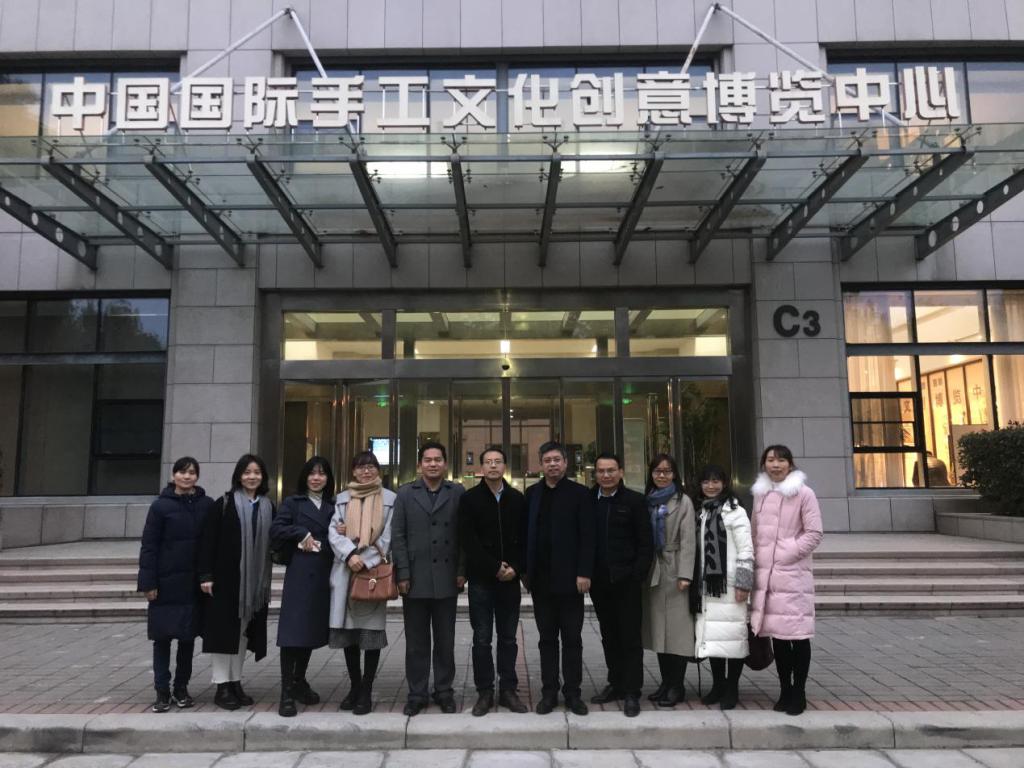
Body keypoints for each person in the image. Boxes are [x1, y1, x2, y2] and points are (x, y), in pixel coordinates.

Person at [392, 441, 465, 716]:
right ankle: (417, 693)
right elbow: (398, 536)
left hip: (447, 577)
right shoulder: (405, 493)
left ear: (445, 463)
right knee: (416, 642)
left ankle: (444, 691)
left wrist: (462, 570)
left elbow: (464, 535)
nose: (433, 464)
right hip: (415, 578)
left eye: (438, 459)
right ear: (420, 464)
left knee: (445, 640)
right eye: (428, 460)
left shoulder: (456, 492)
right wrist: (402, 573)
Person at [750, 444, 823, 717]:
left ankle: (799, 692)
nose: (775, 464)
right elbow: (755, 533)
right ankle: (784, 690)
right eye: (770, 460)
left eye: (781, 460)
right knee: (779, 639)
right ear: (764, 464)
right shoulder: (761, 495)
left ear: (790, 464)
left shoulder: (804, 493)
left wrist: (786, 553)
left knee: (799, 638)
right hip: (768, 577)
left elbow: (814, 533)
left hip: (793, 576)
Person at [522, 441, 594, 716]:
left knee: (572, 639)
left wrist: (584, 572)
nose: (552, 464)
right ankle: (549, 692)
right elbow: (526, 535)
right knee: (547, 639)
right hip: (541, 581)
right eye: (547, 460)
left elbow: (588, 536)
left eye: (557, 460)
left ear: (565, 463)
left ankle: (573, 693)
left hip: (571, 581)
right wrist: (526, 572)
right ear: (541, 464)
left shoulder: (580, 494)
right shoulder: (532, 494)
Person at [137, 456, 214, 712]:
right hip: (165, 583)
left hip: (192, 584)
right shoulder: (160, 507)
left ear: (197, 476)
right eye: (182, 472)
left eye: (192, 472)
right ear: (173, 475)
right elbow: (149, 546)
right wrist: (148, 583)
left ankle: (181, 688)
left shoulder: (206, 505)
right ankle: (162, 691)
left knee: (187, 639)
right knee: (162, 639)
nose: (187, 476)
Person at [197, 454, 273, 711]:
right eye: (247, 472)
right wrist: (206, 575)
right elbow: (208, 541)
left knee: (242, 634)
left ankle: (236, 681)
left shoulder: (267, 506)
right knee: (224, 634)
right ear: (239, 476)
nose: (252, 477)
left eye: (257, 472)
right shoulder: (224, 504)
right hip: (226, 582)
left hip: (254, 585)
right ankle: (222, 685)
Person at [458, 446, 528, 716]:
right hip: (481, 581)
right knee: (482, 639)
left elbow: (524, 539)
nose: (493, 466)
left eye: (498, 461)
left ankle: (508, 689)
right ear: (481, 468)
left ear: (504, 466)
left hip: (510, 581)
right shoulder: (470, 499)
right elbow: (468, 540)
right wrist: (494, 567)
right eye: (488, 462)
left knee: (508, 638)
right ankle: (485, 691)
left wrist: (515, 568)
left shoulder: (517, 499)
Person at [328, 450, 396, 716]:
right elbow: (333, 531)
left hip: (372, 574)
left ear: (378, 470)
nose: (366, 471)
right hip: (346, 572)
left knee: (371, 635)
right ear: (353, 471)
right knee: (349, 635)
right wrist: (349, 555)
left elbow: (389, 536)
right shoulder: (342, 499)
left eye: (371, 467)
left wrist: (364, 560)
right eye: (360, 467)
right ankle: (354, 687)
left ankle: (366, 690)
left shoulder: (390, 499)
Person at [589, 453, 653, 718]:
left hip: (627, 582)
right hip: (599, 582)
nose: (606, 475)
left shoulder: (635, 501)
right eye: (601, 471)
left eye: (611, 470)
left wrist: (636, 575)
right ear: (595, 474)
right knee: (609, 635)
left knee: (630, 637)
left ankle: (632, 691)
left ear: (621, 472)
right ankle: (615, 683)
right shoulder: (589, 500)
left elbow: (645, 543)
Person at [271, 456, 336, 717]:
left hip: (324, 574)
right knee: (292, 633)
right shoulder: (293, 503)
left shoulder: (333, 506)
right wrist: (300, 532)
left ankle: (299, 681)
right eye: (312, 473)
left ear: (328, 478)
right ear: (305, 477)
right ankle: (286, 691)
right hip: (300, 573)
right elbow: (276, 529)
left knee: (309, 632)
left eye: (322, 474)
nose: (316, 478)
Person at [692, 464, 753, 711]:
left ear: (724, 483)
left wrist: (744, 583)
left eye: (715, 481)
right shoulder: (700, 511)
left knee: (733, 638)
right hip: (706, 586)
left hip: (729, 585)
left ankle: (732, 687)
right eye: (706, 481)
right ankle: (717, 685)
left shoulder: (735, 511)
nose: (711, 486)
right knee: (714, 638)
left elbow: (746, 549)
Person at [641, 453, 696, 709]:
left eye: (667, 471)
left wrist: (685, 574)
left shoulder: (683, 501)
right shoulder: (647, 500)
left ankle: (677, 685)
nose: (662, 475)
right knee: (659, 632)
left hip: (674, 570)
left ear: (674, 474)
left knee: (677, 632)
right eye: (657, 471)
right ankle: (665, 683)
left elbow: (688, 541)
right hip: (653, 571)